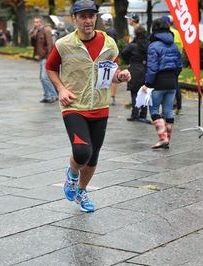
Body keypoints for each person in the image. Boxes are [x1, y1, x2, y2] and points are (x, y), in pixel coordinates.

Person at [45, 0, 131, 212]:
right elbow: (50, 68)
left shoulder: (109, 43)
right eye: (82, 16)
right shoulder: (64, 44)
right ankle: (72, 175)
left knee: (93, 158)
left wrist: (120, 76)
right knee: (82, 152)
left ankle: (82, 192)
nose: (88, 20)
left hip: (100, 106)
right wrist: (61, 89)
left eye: (91, 16)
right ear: (75, 19)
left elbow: (111, 72)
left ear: (96, 18)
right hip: (74, 105)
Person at [142, 18, 182, 149]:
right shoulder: (174, 45)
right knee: (168, 111)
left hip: (158, 82)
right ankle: (167, 139)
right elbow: (179, 65)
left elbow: (152, 68)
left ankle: (163, 138)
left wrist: (147, 83)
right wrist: (173, 76)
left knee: (154, 109)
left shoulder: (153, 46)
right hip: (172, 82)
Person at [120, 26, 150, 123]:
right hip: (145, 69)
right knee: (144, 92)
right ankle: (144, 114)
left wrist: (129, 59)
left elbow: (123, 53)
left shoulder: (132, 46)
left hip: (134, 69)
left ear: (136, 34)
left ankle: (135, 114)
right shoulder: (148, 44)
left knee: (134, 92)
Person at [30, 16, 58, 103]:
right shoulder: (37, 32)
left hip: (46, 57)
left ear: (41, 23)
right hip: (41, 57)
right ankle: (47, 96)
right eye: (35, 22)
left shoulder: (46, 31)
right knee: (42, 78)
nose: (36, 24)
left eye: (37, 22)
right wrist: (32, 36)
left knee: (44, 77)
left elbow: (50, 45)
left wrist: (48, 58)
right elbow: (33, 45)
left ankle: (54, 95)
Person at [163, 15, 184, 115]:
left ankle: (168, 107)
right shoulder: (177, 33)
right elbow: (181, 48)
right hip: (176, 62)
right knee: (176, 84)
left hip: (167, 63)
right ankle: (179, 106)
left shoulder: (164, 34)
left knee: (165, 85)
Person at [101, 13, 118, 105]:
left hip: (110, 56)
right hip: (113, 55)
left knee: (111, 75)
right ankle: (111, 96)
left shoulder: (108, 32)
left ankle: (111, 96)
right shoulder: (112, 30)